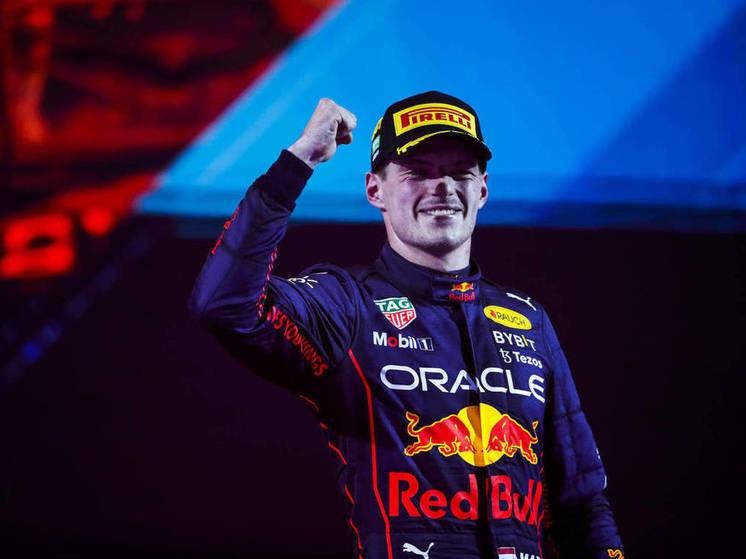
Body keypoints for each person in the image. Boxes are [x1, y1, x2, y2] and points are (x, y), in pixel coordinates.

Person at [189, 91, 625, 559]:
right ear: (374, 190)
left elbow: (581, 504)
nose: (443, 187)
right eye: (417, 172)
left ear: (482, 190)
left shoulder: (529, 321)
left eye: (460, 172)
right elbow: (223, 303)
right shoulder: (347, 305)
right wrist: (298, 162)